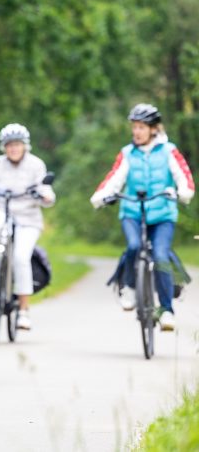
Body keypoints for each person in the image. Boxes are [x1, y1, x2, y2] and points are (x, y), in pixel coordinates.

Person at [90, 104, 194, 331]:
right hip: (132, 212)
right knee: (134, 245)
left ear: (154, 129)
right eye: (134, 127)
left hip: (162, 214)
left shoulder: (169, 151)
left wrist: (183, 192)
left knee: (160, 254)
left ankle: (166, 310)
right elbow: (114, 178)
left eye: (141, 127)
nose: (136, 132)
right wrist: (101, 197)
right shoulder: (128, 153)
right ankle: (128, 286)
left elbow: (184, 177)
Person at [0, 124, 55, 330]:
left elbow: (46, 191)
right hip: (3, 209)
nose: (13, 149)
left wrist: (44, 195)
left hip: (29, 218)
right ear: (4, 147)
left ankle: (24, 311)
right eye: (9, 145)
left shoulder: (36, 164)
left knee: (21, 258)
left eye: (17, 145)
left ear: (24, 145)